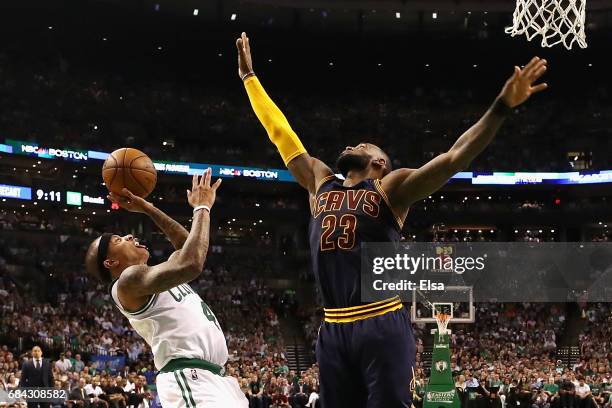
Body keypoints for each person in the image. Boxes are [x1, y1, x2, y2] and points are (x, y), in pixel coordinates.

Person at [236, 30, 548, 408]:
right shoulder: (320, 181)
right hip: (333, 326)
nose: (354, 144)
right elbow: (281, 134)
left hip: (381, 320)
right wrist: (250, 80)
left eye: (364, 145)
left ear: (379, 163)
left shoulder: (390, 188)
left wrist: (501, 105)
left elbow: (452, 159)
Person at [84, 170, 247, 408]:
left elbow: (188, 246)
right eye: (119, 240)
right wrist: (202, 207)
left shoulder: (154, 277)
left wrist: (148, 209)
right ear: (110, 263)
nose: (130, 236)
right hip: (190, 378)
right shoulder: (127, 282)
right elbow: (192, 262)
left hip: (217, 379)